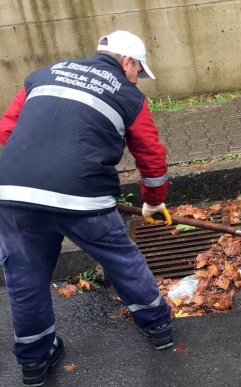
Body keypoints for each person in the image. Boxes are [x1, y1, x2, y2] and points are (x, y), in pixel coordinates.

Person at [0, 30, 175, 386]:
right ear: (127, 60)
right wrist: (154, 202)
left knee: (25, 275)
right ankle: (158, 327)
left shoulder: (43, 75)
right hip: (82, 197)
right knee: (121, 258)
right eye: (138, 70)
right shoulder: (128, 96)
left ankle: (34, 362)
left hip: (13, 194)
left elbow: (5, 132)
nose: (137, 78)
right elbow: (151, 156)